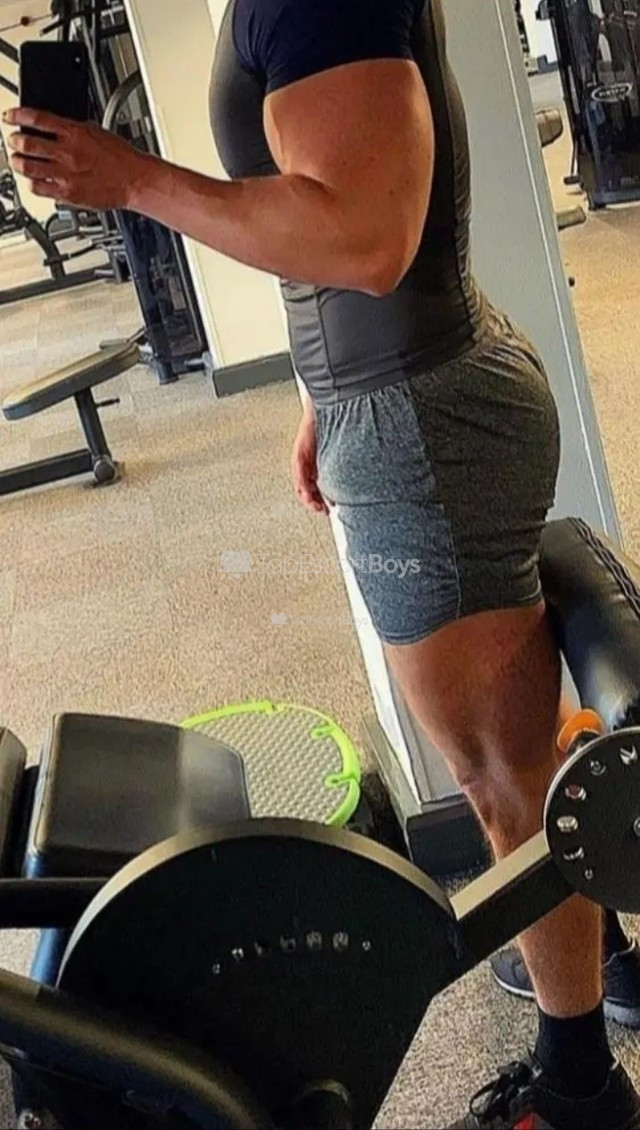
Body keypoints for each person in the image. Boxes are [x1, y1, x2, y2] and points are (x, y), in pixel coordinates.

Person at [5, 0, 640, 1125]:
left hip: (418, 419)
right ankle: (599, 964)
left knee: (499, 777)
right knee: (509, 742)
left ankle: (579, 1082)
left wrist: (132, 179)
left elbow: (366, 238)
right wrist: (319, 388)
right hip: (401, 399)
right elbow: (346, 208)